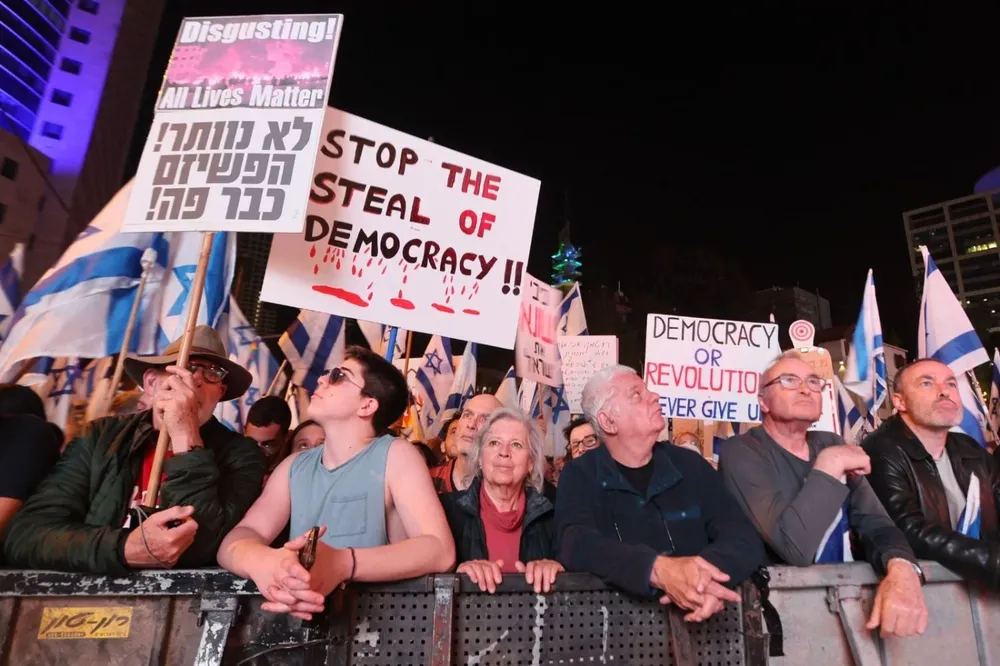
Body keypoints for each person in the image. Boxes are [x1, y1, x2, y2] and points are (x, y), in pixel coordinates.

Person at [218, 346, 455, 620]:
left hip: (377, 632)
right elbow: (242, 535)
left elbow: (440, 550)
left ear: (368, 405)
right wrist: (261, 561)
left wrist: (343, 562)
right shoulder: (294, 467)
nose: (322, 379)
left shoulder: (396, 455)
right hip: (303, 634)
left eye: (339, 376)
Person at [3, 326, 265, 573]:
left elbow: (202, 549)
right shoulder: (101, 437)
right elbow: (26, 536)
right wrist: (124, 548)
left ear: (219, 392)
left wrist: (186, 437)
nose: (195, 379)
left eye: (213, 373)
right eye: (187, 366)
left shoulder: (242, 455)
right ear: (151, 383)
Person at [720, 351, 928, 638]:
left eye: (814, 382)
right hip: (779, 619)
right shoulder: (742, 451)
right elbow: (793, 547)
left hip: (848, 610)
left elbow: (875, 522)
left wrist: (902, 568)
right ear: (763, 402)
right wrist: (830, 465)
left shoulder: (830, 442)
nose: (805, 388)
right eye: (789, 380)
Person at [556, 365, 763, 623]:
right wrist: (656, 569)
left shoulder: (690, 465)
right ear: (608, 421)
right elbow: (576, 543)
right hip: (619, 637)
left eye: (648, 391)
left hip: (707, 629)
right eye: (636, 395)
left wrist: (701, 578)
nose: (654, 396)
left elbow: (742, 537)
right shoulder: (580, 475)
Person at [864, 359, 1000, 588]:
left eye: (951, 384)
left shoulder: (970, 449)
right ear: (900, 401)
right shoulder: (881, 450)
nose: (944, 392)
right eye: (927, 384)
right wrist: (993, 561)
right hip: (930, 595)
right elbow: (908, 529)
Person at [442, 408, 562, 594]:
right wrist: (455, 577)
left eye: (516, 445)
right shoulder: (446, 512)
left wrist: (560, 573)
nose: (504, 452)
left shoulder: (554, 515)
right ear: (480, 458)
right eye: (494, 443)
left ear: (531, 463)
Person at [432, 395, 503, 493]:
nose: (471, 424)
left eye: (484, 419)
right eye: (467, 415)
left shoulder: (507, 492)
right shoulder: (428, 480)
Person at [244, 396, 293, 479]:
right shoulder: (228, 467)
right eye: (251, 442)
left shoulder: (296, 473)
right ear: (244, 431)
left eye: (267, 444)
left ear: (286, 438)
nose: (257, 452)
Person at [429, 416, 462, 493]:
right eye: (454, 432)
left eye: (464, 432)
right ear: (443, 446)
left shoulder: (485, 478)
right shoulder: (429, 478)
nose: (459, 436)